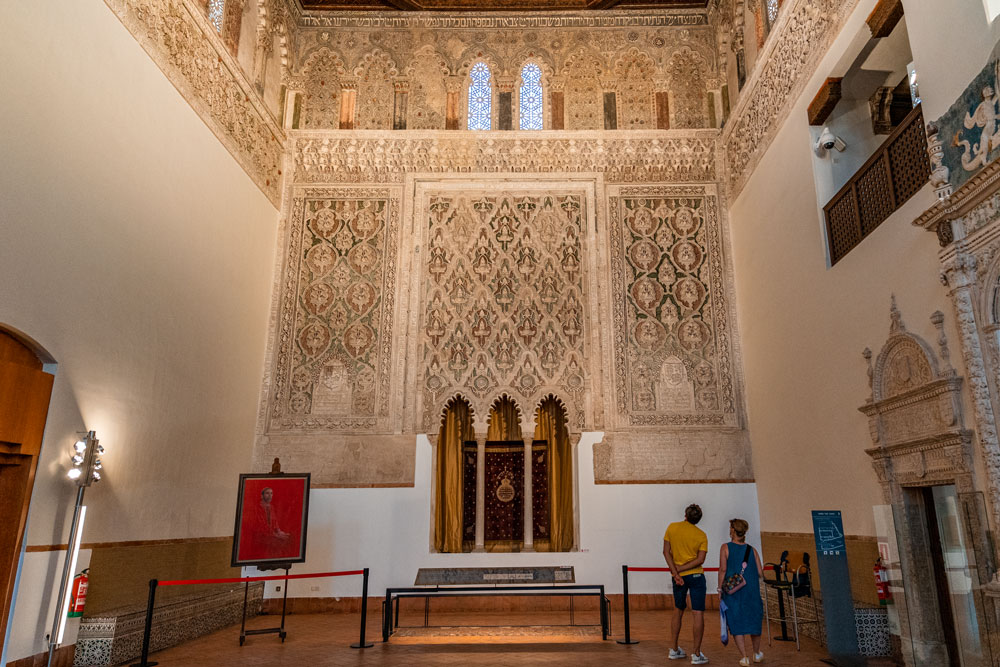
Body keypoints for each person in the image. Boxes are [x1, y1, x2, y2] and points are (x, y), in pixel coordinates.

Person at [664, 503, 710, 664]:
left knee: (678, 610)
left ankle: (674, 649)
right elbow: (700, 559)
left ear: (685, 514)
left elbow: (666, 552)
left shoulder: (672, 528)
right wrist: (683, 569)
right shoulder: (701, 535)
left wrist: (676, 572)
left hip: (678, 577)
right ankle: (696, 654)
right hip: (696, 576)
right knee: (697, 613)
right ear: (698, 519)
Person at [719, 518, 764, 666]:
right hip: (751, 591)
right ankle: (757, 653)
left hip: (733, 592)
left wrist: (720, 588)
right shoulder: (752, 550)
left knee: (736, 620)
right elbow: (760, 572)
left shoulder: (725, 548)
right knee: (754, 621)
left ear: (733, 530)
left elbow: (723, 570)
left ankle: (744, 657)